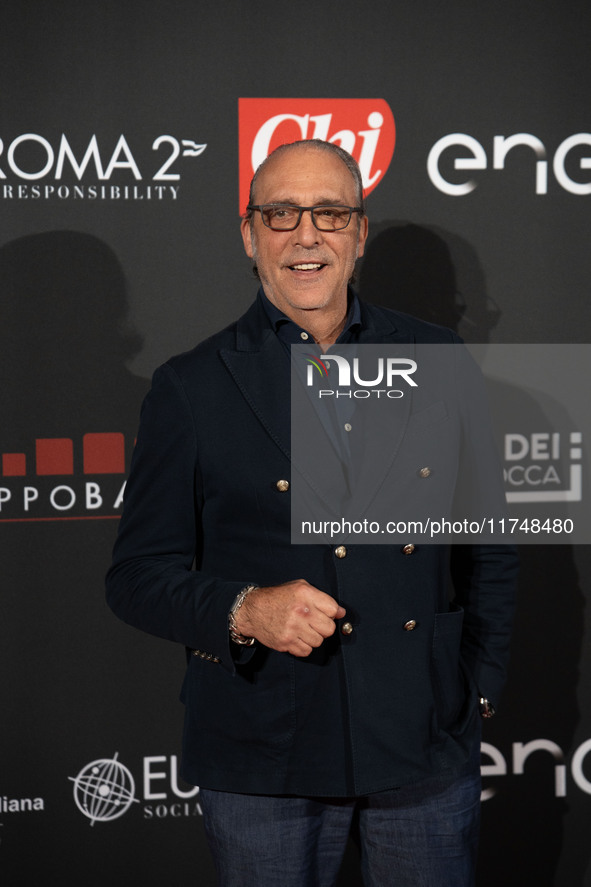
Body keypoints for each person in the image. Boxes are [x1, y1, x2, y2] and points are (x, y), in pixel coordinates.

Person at [106, 139, 517, 886]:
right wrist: (243, 607)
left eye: (330, 213)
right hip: (263, 750)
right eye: (281, 213)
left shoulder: (438, 358)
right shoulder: (190, 386)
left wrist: (475, 682)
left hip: (421, 741)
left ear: (358, 233)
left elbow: (487, 543)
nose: (306, 235)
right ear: (248, 233)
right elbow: (135, 575)